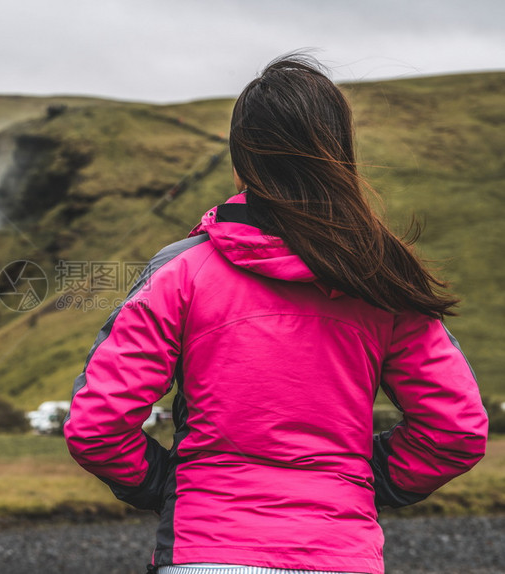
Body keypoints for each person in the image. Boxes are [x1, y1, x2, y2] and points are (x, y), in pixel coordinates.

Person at [63, 54, 488, 574]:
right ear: (340, 152)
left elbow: (96, 425)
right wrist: (357, 478)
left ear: (242, 158)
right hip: (340, 551)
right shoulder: (382, 280)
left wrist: (166, 483)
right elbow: (455, 430)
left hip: (206, 547)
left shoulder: (181, 271)